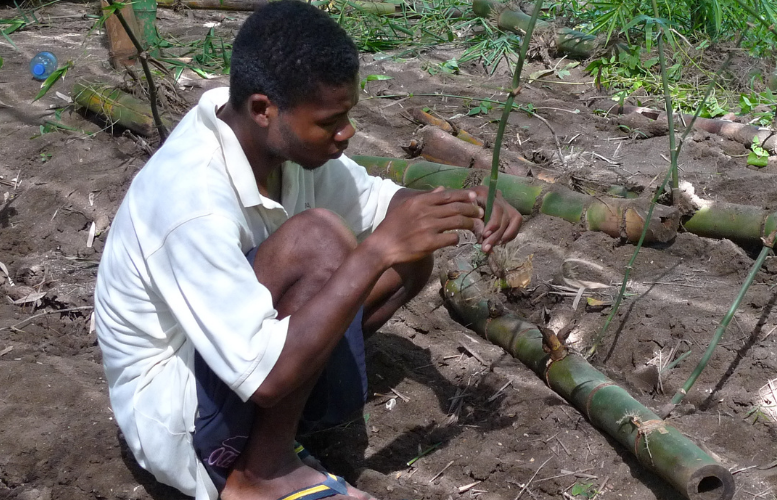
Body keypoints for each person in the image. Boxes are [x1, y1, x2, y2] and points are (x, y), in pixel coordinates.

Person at [91, 2, 522, 499]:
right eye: (330, 121)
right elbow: (267, 380)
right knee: (319, 239)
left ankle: (281, 431)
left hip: (237, 369)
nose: (347, 133)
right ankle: (260, 475)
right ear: (262, 108)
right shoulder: (191, 198)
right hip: (180, 416)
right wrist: (373, 251)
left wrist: (460, 204)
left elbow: (378, 201)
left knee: (409, 249)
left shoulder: (279, 147)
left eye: (349, 115)